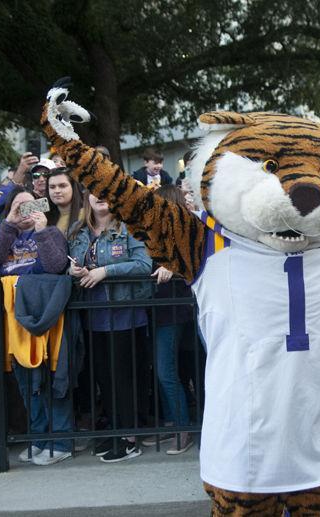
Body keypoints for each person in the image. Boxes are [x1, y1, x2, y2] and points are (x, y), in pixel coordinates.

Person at [0, 186, 73, 465]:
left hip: (46, 320)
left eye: (31, 205)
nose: (26, 212)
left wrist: (42, 231)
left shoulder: (52, 233)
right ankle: (39, 439)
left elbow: (57, 265)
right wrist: (9, 224)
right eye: (19, 207)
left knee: (51, 382)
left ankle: (60, 442)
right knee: (26, 385)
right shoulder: (4, 233)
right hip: (13, 323)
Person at [68, 192, 152, 462]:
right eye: (94, 190)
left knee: (122, 377)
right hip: (92, 316)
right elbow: (72, 264)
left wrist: (105, 272)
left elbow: (143, 264)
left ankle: (129, 439)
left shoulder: (128, 226)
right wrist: (75, 271)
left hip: (124, 312)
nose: (101, 196)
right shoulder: (78, 231)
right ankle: (116, 431)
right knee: (104, 378)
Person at [142, 185, 195, 454]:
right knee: (161, 371)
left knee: (167, 372)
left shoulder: (184, 230)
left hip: (173, 311)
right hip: (155, 310)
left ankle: (183, 428)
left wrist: (172, 267)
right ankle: (173, 423)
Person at [45, 167, 83, 236]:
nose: (57, 191)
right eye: (52, 187)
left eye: (62, 186)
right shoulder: (45, 217)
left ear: (73, 187)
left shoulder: (86, 215)